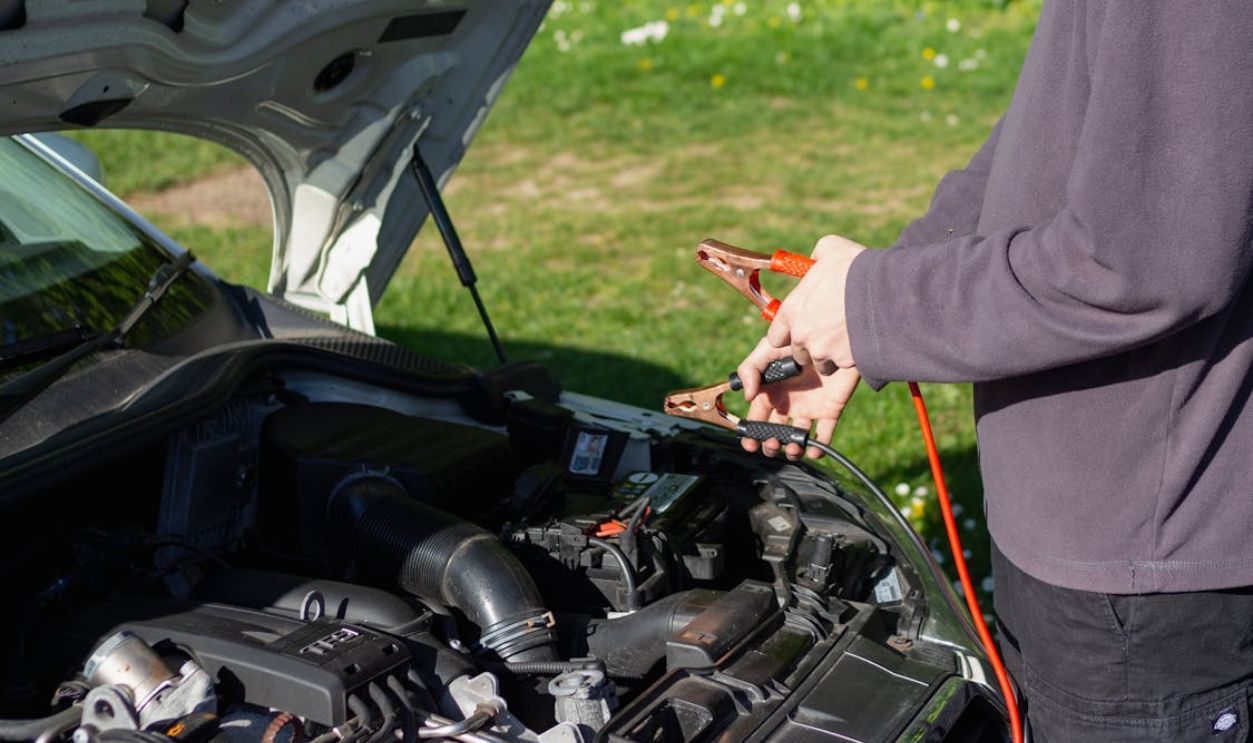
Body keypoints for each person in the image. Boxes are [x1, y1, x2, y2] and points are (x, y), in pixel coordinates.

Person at [734, 3, 1253, 741]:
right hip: (1086, 550)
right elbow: (1041, 147)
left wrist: (879, 306)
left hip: (1146, 582)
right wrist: (877, 301)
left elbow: (1138, 264)